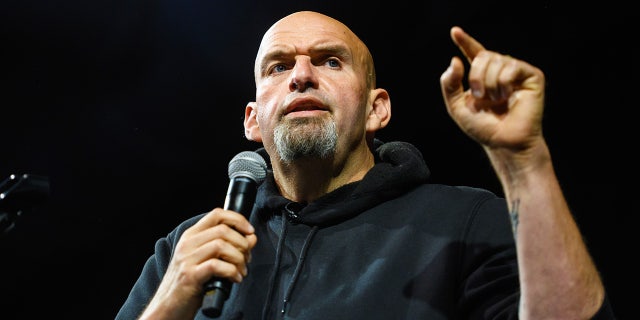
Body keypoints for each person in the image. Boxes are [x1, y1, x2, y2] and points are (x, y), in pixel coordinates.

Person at [116, 10, 615, 320]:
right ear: (252, 120)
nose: (301, 77)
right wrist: (170, 303)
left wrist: (524, 161)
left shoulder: (462, 223)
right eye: (279, 66)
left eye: (331, 61)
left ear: (378, 109)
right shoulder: (186, 249)